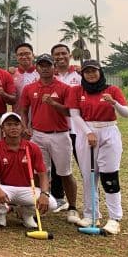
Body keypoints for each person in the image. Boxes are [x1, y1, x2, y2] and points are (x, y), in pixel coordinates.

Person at [16, 54, 80, 225]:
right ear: (37, 68)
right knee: (39, 172)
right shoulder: (30, 88)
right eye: (41, 65)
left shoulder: (64, 88)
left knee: (65, 173)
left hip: (60, 134)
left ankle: (72, 207)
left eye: (48, 65)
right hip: (38, 134)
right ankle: (38, 205)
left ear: (54, 67)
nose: (44, 68)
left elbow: (69, 112)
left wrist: (54, 104)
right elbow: (23, 110)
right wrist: (25, 126)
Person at [68, 60, 128, 235]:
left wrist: (113, 103)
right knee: (88, 176)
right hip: (85, 133)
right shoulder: (77, 91)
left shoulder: (112, 90)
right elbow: (74, 115)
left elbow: (126, 113)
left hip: (109, 131)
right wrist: (88, 132)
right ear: (83, 74)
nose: (91, 74)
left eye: (94, 71)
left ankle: (115, 217)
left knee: (109, 175)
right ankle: (90, 214)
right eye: (87, 72)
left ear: (100, 72)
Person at [0, 112, 57, 228]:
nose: (13, 128)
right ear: (2, 128)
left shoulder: (32, 148)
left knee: (52, 204)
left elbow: (43, 174)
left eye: (16, 124)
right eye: (8, 125)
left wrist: (44, 193)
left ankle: (26, 214)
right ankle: (1, 214)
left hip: (28, 188)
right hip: (5, 187)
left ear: (22, 127)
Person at [50, 43, 82, 212]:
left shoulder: (80, 74)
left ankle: (93, 200)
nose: (60, 57)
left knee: (83, 164)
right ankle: (59, 198)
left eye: (63, 53)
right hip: (57, 128)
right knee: (57, 166)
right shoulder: (50, 76)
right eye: (57, 54)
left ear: (70, 55)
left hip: (78, 128)